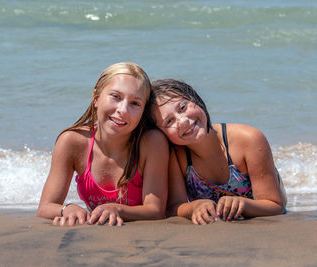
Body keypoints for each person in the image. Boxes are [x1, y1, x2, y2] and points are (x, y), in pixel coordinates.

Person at [36, 62, 169, 227]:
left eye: (135, 103)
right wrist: (67, 209)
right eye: (116, 96)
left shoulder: (151, 143)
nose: (123, 110)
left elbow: (156, 210)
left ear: (143, 112)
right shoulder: (72, 141)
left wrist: (118, 209)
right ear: (96, 98)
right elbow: (45, 207)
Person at [148, 79, 287, 225]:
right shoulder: (176, 156)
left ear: (195, 99)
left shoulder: (249, 139)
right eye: (169, 121)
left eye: (183, 107)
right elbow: (174, 207)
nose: (183, 121)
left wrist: (243, 204)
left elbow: (276, 205)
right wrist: (195, 206)